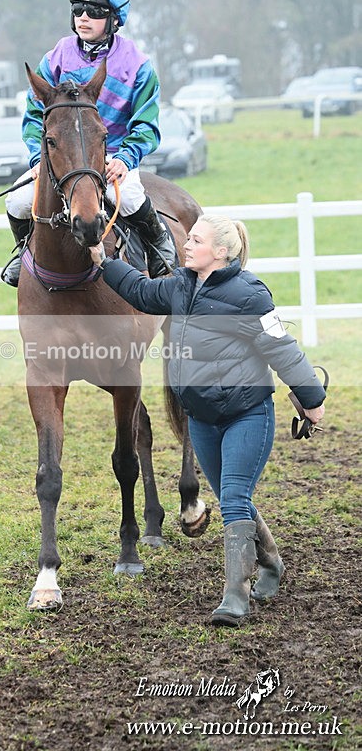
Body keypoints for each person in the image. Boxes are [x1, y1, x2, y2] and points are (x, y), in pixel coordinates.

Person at [88, 213, 327, 628]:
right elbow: (141, 292)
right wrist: (103, 262)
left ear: (220, 252)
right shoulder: (181, 285)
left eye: (195, 240)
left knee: (233, 499)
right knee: (235, 500)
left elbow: (281, 348)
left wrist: (311, 398)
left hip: (247, 414)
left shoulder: (249, 294)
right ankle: (271, 563)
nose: (186, 244)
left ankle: (235, 597)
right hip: (201, 418)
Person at [2, 0, 175, 286]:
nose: (84, 18)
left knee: (132, 196)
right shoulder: (56, 57)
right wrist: (37, 159)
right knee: (17, 201)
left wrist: (126, 159)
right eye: (78, 11)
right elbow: (33, 117)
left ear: (114, 19)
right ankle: (24, 252)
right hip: (62, 157)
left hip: (110, 157)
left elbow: (147, 126)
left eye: (94, 12)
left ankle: (160, 246)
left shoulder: (138, 65)